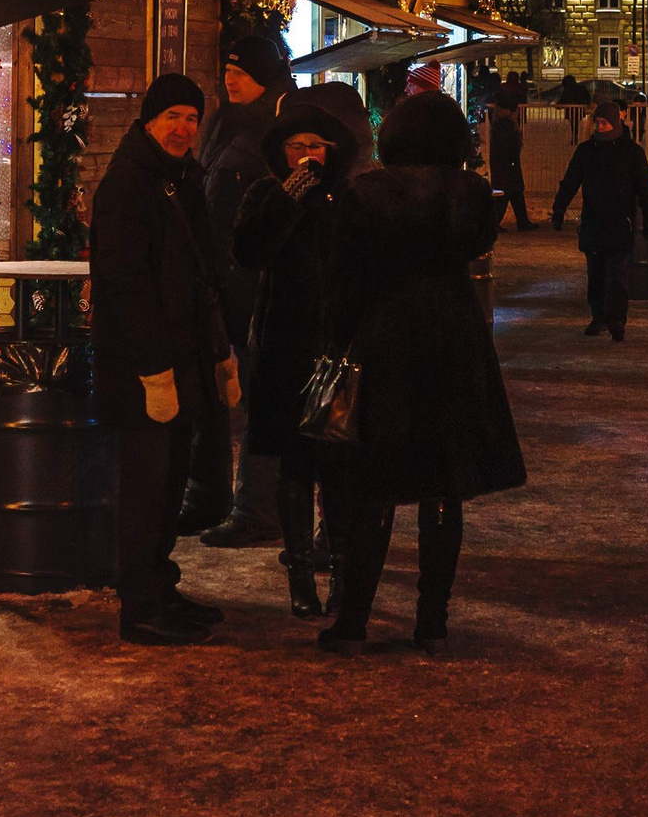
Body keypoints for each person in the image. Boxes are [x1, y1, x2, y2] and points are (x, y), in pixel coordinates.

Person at [317, 93, 525, 654]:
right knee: (442, 486)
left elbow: (343, 277)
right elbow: (477, 245)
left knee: (374, 485)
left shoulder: (365, 194)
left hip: (384, 336)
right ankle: (432, 619)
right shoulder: (472, 193)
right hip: (453, 335)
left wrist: (338, 342)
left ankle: (354, 618)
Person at [90, 75, 240, 646]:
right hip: (143, 369)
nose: (183, 129)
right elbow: (128, 286)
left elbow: (204, 272)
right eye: (173, 116)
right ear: (150, 120)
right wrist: (154, 370)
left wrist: (217, 351)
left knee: (171, 483)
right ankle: (139, 606)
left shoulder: (180, 179)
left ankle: (160, 586)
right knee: (147, 489)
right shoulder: (130, 184)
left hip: (184, 361)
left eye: (192, 118)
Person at [231, 101, 357, 618]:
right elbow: (249, 253)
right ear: (280, 154)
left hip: (339, 346)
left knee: (342, 464)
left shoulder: (349, 198)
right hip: (285, 347)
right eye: (296, 147)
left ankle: (344, 567)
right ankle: (300, 572)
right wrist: (291, 197)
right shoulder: (266, 194)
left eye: (315, 148)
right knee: (295, 463)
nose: (306, 156)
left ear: (333, 152)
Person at [189, 34, 294, 548]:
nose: (232, 79)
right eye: (228, 71)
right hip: (220, 287)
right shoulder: (225, 126)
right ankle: (218, 497)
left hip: (253, 290)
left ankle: (258, 509)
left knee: (259, 402)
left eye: (244, 72)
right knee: (226, 398)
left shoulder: (278, 136)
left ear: (267, 77)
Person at [551, 99, 648, 340]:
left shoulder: (632, 152)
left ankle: (616, 319)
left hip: (619, 221)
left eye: (604, 123)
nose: (599, 127)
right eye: (597, 123)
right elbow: (571, 180)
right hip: (593, 220)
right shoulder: (586, 151)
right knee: (596, 273)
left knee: (617, 274)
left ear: (615, 123)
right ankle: (599, 315)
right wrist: (559, 208)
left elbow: (645, 188)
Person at [487, 77, 533, 230]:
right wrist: (513, 160)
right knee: (506, 193)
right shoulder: (506, 125)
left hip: (505, 164)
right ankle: (495, 223)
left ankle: (522, 221)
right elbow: (510, 147)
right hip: (507, 165)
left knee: (515, 192)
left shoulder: (500, 123)